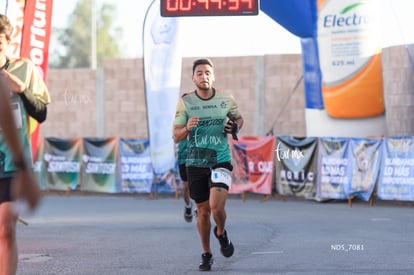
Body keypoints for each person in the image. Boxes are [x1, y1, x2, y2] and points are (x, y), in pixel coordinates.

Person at [173, 58, 243, 271]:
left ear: (213, 76)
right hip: (195, 162)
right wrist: (187, 128)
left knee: (216, 206)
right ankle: (206, 253)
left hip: (220, 159)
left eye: (208, 73)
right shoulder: (186, 103)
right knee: (203, 212)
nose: (204, 76)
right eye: (200, 73)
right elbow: (175, 136)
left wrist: (234, 126)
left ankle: (220, 231)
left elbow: (239, 119)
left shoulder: (226, 100)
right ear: (193, 78)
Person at [0, 14, 51, 275]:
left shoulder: (25, 69)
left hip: (10, 162)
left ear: (8, 43)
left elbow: (41, 113)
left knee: (6, 229)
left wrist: (21, 90)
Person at [177, 138, 193, 222]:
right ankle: (188, 206)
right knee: (185, 186)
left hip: (197, 157)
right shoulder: (180, 124)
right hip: (183, 157)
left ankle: (200, 207)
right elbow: (175, 138)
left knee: (197, 184)